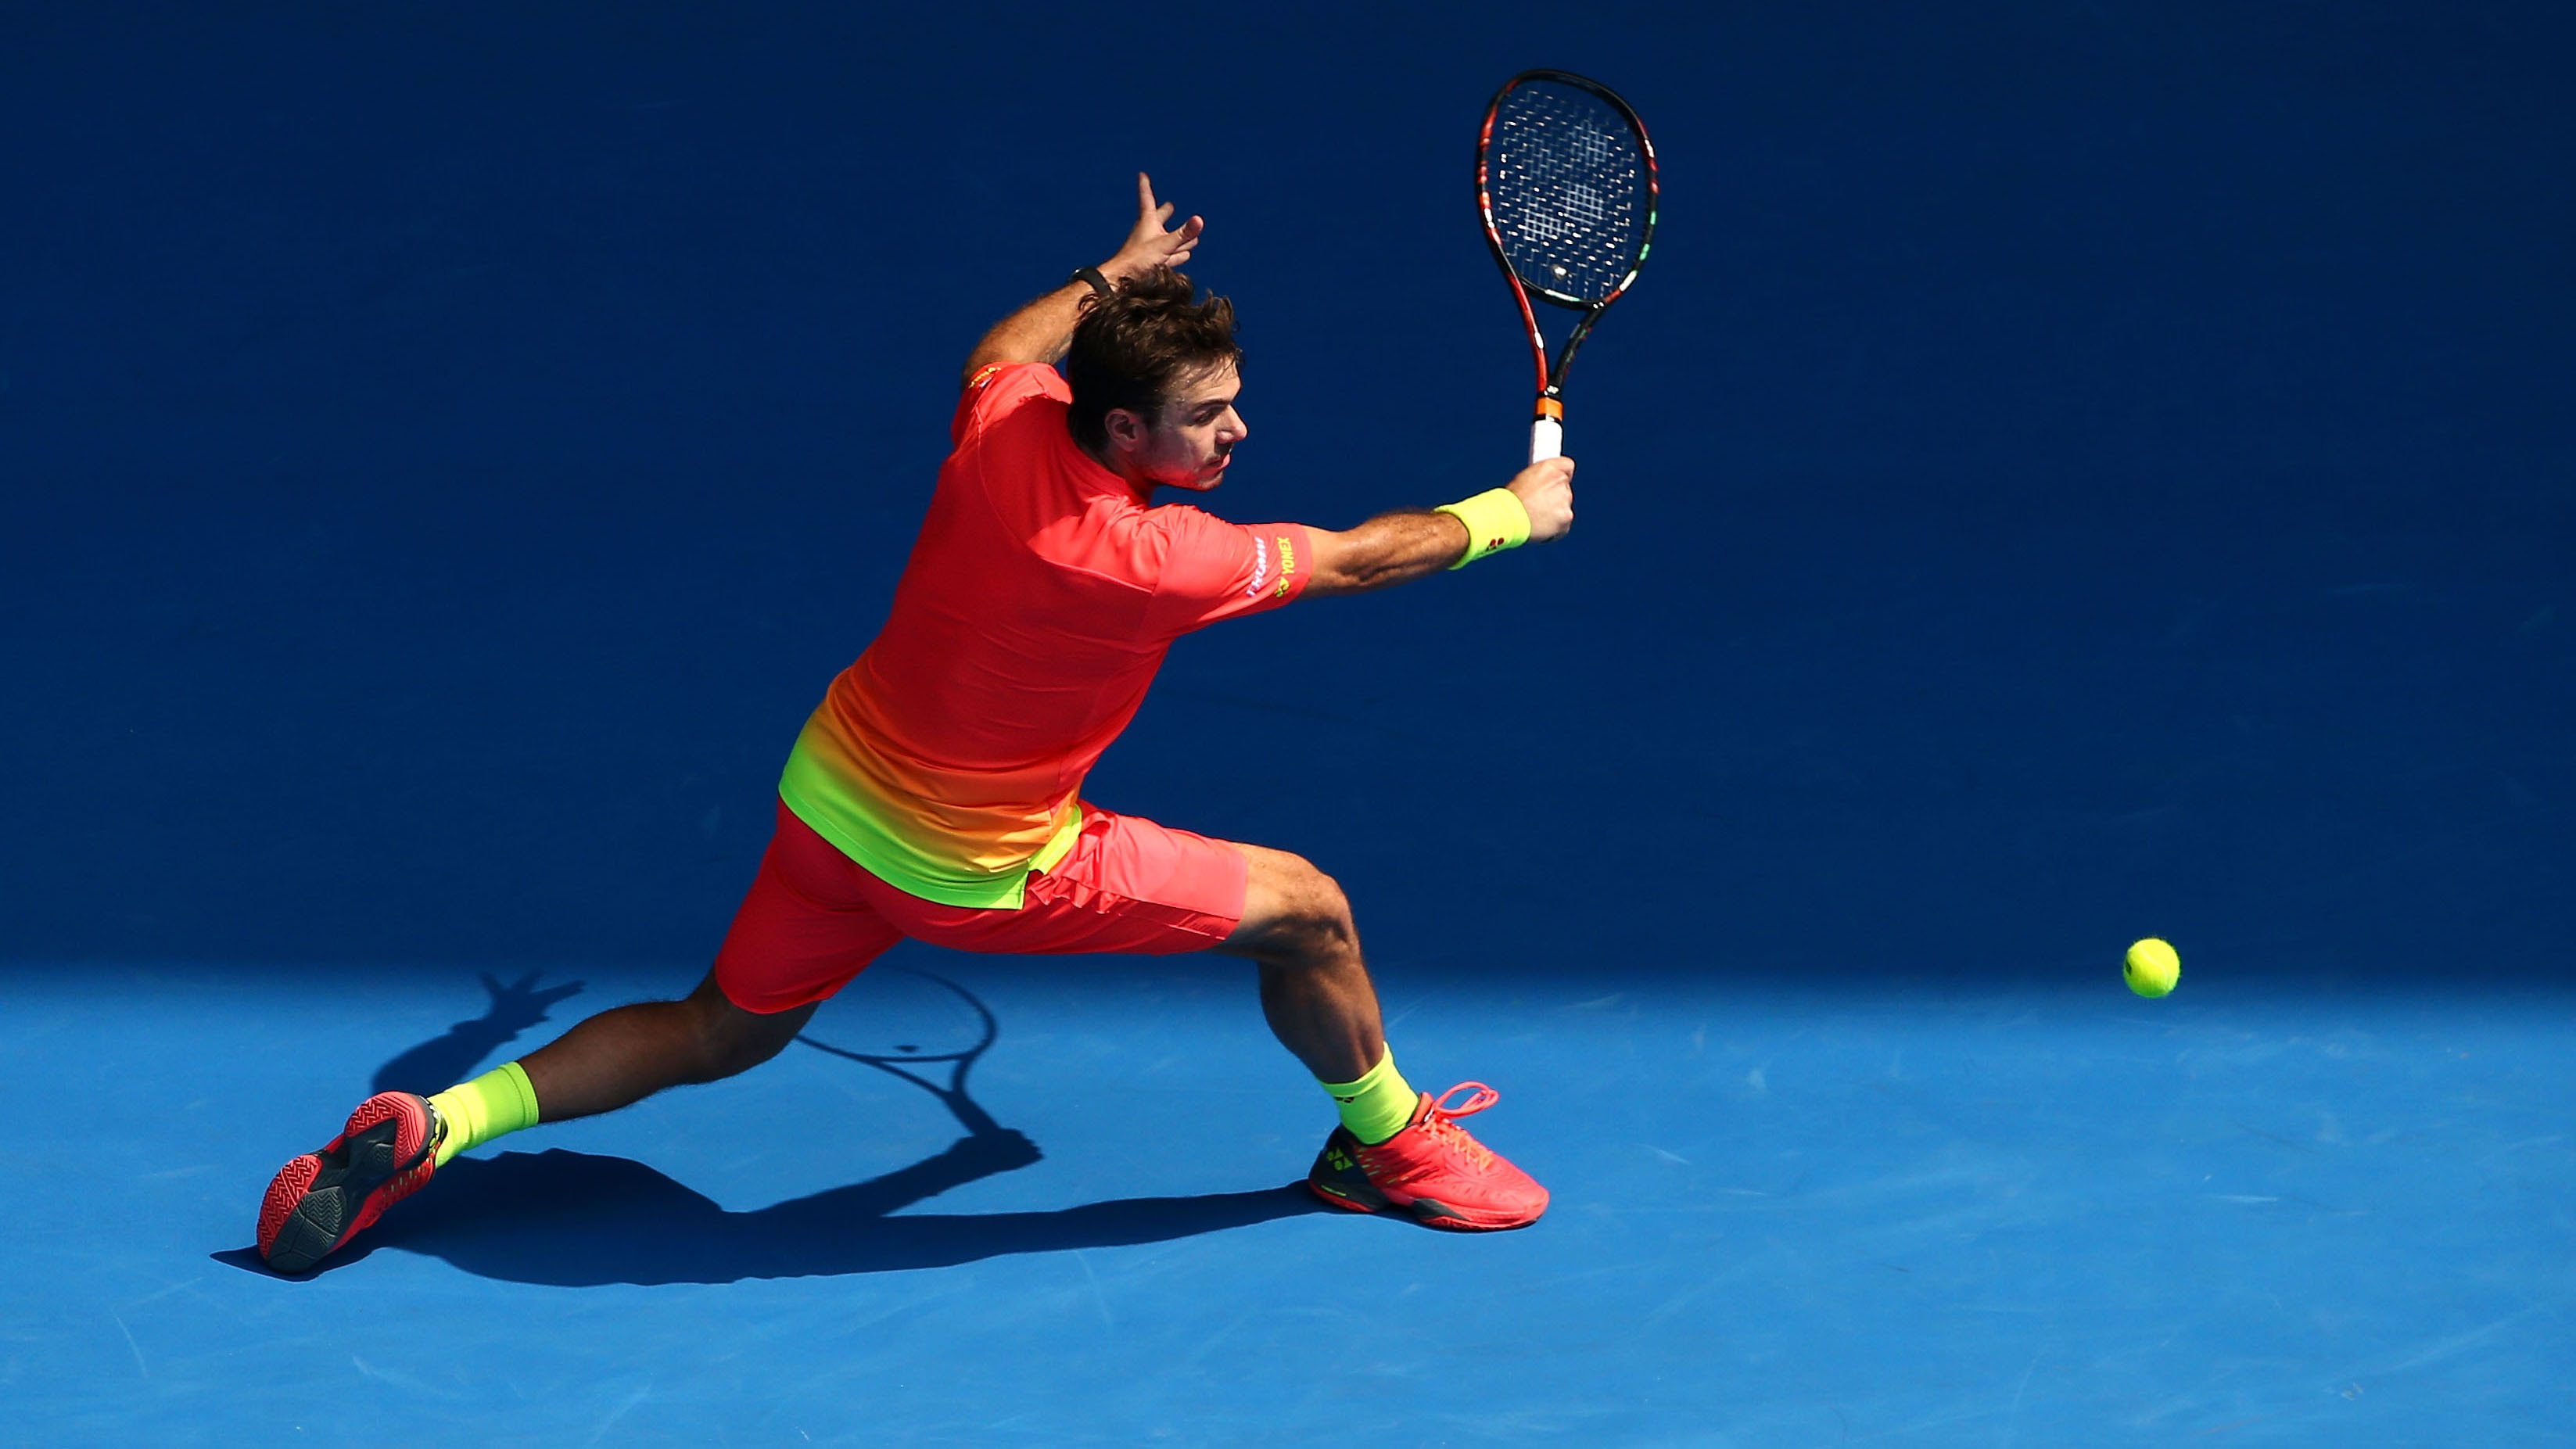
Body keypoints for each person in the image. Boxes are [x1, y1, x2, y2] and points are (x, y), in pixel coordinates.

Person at [257, 174, 1577, 1273]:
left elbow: (1003, 352)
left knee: (718, 1028)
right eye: (1206, 414)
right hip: (973, 866)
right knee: (1311, 911)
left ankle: (436, 1120)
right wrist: (1516, 509)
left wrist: (1109, 276)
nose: (1239, 428)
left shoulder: (1005, 426)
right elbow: (1351, 559)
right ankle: (1380, 1142)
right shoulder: (1153, 561)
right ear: (1123, 426)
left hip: (828, 797)